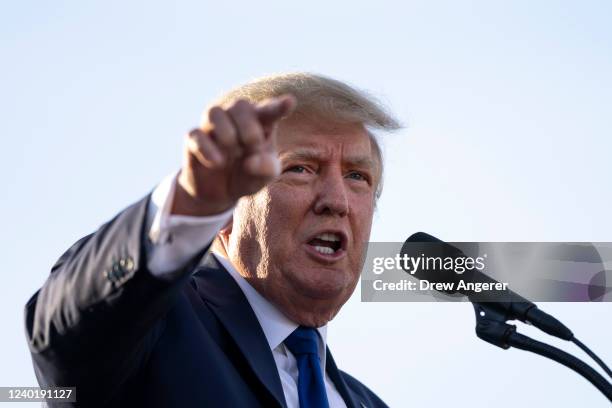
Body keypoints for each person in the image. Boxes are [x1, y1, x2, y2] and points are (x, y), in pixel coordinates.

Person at [24, 72, 401, 407]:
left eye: (357, 177)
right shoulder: (157, 325)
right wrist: (192, 203)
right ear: (228, 207)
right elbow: (66, 336)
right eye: (300, 168)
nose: (336, 201)